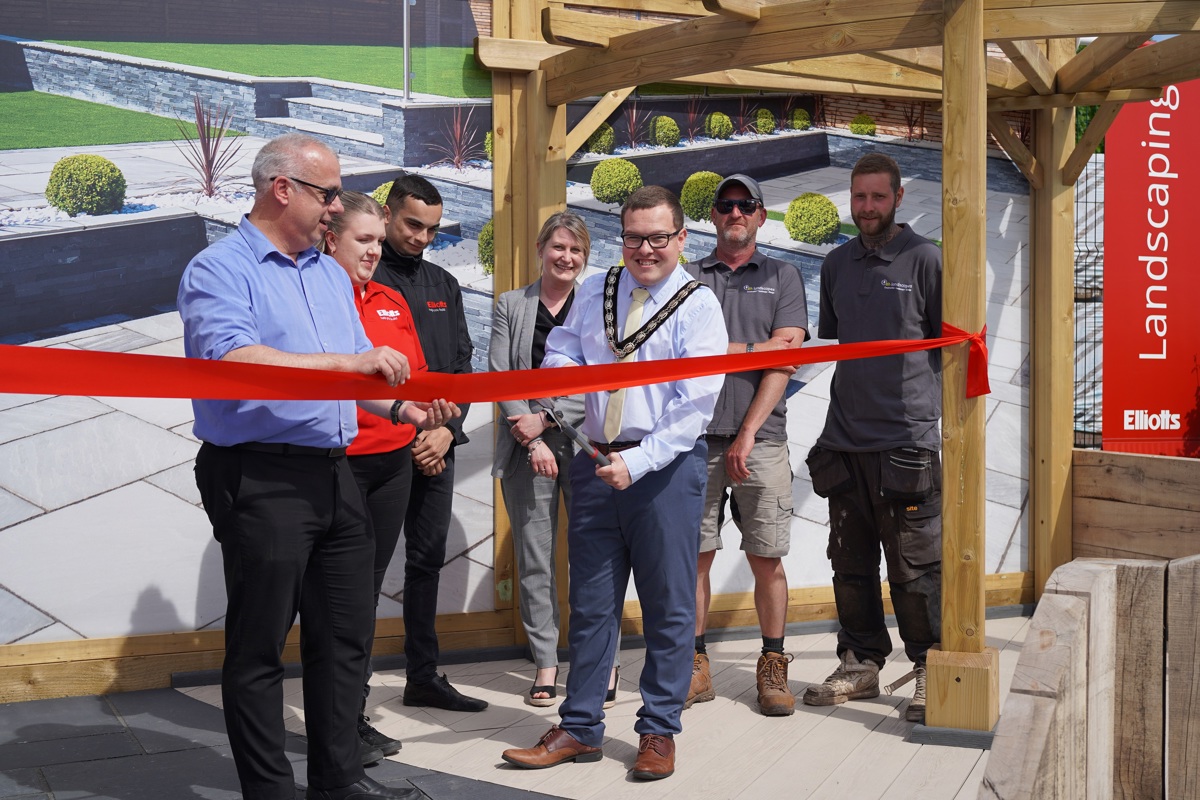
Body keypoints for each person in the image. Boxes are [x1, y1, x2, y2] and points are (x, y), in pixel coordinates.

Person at [178, 133, 456, 800]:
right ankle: (271, 792)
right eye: (326, 192)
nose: (336, 205)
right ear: (282, 189)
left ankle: (338, 784)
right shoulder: (219, 270)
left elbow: (362, 373)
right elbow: (228, 361)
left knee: (343, 642)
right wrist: (346, 366)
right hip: (260, 476)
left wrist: (407, 411)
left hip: (336, 475)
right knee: (259, 647)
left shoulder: (328, 275)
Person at [501, 186, 728, 781]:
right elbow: (564, 353)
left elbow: (695, 404)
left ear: (681, 238)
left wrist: (641, 460)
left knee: (668, 607)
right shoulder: (600, 289)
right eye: (633, 237)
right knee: (593, 604)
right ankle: (579, 727)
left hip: (665, 472)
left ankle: (658, 730)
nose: (645, 249)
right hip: (596, 463)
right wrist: (558, 404)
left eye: (658, 237)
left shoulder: (698, 304)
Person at [802, 152, 943, 724]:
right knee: (849, 562)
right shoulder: (835, 265)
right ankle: (860, 663)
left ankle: (933, 667)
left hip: (906, 437)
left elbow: (946, 344)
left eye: (877, 197)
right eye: (858, 197)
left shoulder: (925, 259)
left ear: (898, 198)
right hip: (845, 439)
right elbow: (836, 347)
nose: (866, 208)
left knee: (914, 566)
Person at [684, 174, 808, 717]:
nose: (736, 213)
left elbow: (787, 358)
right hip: (692, 440)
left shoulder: (784, 276)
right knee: (695, 559)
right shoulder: (687, 277)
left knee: (766, 558)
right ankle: (694, 663)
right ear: (713, 216)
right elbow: (687, 354)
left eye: (747, 206)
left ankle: (773, 664)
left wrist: (749, 432)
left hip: (762, 440)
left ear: (760, 216)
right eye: (726, 205)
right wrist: (755, 347)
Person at [489, 211, 619, 708]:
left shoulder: (599, 306)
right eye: (559, 247)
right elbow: (502, 377)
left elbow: (597, 379)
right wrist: (531, 439)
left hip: (586, 447)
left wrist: (543, 421)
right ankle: (546, 662)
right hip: (528, 451)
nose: (567, 257)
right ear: (542, 248)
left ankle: (601, 663)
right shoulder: (510, 304)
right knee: (535, 560)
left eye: (577, 251)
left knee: (597, 561)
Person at [323, 192, 433, 759]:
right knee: (339, 600)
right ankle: (337, 725)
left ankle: (352, 717)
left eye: (375, 240)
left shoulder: (391, 297)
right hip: (341, 461)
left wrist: (434, 418)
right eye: (362, 240)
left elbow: (415, 381)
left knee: (364, 598)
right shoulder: (318, 299)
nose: (374, 250)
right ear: (331, 236)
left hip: (393, 464)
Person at [372, 174, 487, 713]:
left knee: (425, 563)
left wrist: (445, 430)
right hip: (378, 449)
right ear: (390, 213)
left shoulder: (443, 284)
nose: (422, 237)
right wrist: (415, 430)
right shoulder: (362, 277)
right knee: (363, 572)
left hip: (438, 447)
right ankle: (352, 697)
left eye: (433, 229)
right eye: (413, 224)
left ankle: (422, 676)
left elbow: (462, 369)